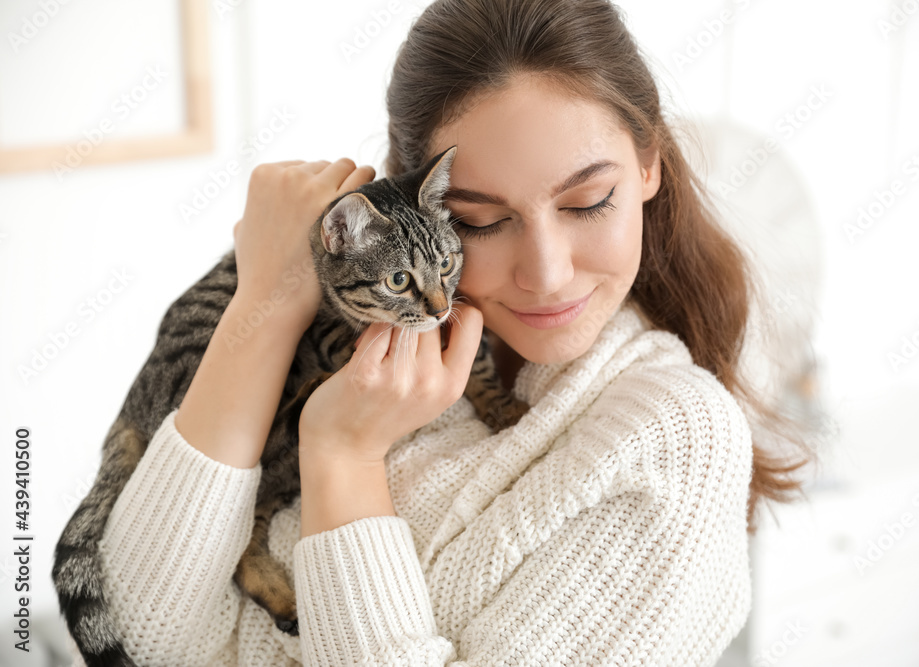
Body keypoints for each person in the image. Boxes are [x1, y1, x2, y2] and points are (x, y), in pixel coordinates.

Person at [71, 0, 813, 664]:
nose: (548, 274)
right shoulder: (379, 355)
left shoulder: (675, 438)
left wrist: (343, 454)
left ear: (648, 162)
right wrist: (264, 304)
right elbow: (143, 634)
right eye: (481, 221)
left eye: (588, 201)